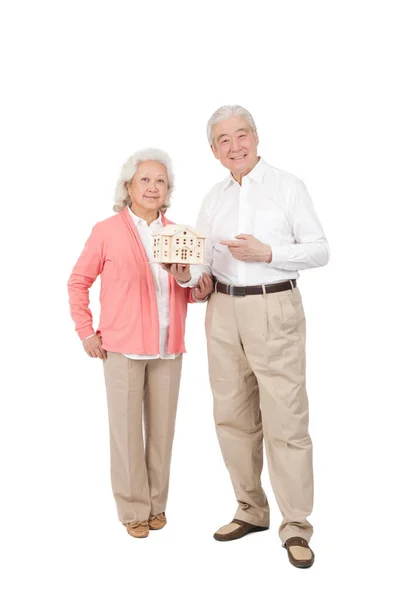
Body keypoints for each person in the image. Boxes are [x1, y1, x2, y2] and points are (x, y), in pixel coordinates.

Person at [171, 106, 329, 568]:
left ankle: (296, 526)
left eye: (242, 135)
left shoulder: (287, 186)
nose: (235, 145)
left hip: (273, 304)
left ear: (256, 138)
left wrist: (268, 252)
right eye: (224, 140)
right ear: (214, 151)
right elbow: (201, 262)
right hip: (221, 310)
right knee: (232, 416)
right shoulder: (213, 199)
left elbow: (320, 249)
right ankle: (250, 509)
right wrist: (188, 276)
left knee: (286, 420)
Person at [67, 148, 213, 538]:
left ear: (168, 191)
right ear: (128, 186)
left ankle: (157, 504)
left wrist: (191, 281)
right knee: (127, 432)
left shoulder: (180, 234)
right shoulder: (107, 230)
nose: (152, 187)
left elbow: (193, 293)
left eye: (160, 181)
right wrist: (86, 331)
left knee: (163, 431)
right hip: (123, 348)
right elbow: (78, 281)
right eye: (144, 179)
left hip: (168, 347)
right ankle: (133, 507)